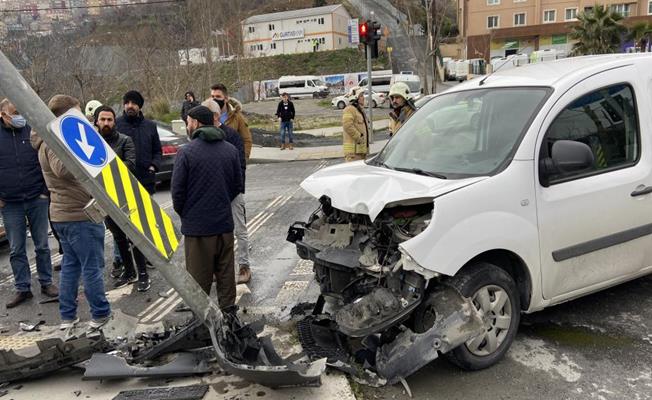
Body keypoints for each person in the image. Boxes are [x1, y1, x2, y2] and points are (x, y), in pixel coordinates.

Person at [34, 94, 110, 330]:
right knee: (92, 266)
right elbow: (62, 169)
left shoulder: (45, 139)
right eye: (77, 113)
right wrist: (78, 146)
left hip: (64, 214)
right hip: (78, 215)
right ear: (65, 116)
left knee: (71, 266)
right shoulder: (54, 140)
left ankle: (68, 316)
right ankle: (101, 315)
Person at [171, 105, 242, 308]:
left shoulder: (186, 153)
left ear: (196, 123)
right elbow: (236, 186)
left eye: (188, 122)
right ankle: (229, 318)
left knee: (198, 283)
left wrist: (188, 214)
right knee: (226, 276)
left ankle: (203, 326)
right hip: (224, 225)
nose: (187, 125)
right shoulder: (230, 150)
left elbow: (177, 193)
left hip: (198, 230)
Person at [0, 99, 58, 308]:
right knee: (16, 249)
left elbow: (45, 162)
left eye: (20, 111)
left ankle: (46, 282)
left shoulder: (32, 132)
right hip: (10, 203)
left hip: (36, 198)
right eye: (14, 112)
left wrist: (44, 192)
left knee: (42, 245)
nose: (19, 116)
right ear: (3, 114)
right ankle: (22, 288)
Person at [93, 105, 147, 291]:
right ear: (96, 122)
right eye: (103, 119)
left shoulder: (125, 140)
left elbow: (130, 165)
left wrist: (102, 169)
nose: (106, 123)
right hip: (106, 199)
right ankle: (129, 271)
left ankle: (143, 274)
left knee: (135, 237)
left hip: (126, 196)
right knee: (119, 238)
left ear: (114, 122)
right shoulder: (92, 144)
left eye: (109, 119)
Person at [201, 99, 251, 283]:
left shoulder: (231, 135)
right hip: (212, 195)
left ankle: (244, 266)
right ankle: (218, 269)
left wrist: (234, 190)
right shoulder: (201, 137)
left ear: (214, 116)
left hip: (232, 193)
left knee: (240, 230)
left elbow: (239, 166)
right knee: (216, 234)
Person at [115, 90, 160, 292]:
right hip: (120, 185)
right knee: (121, 231)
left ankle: (145, 265)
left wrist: (153, 166)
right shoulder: (116, 125)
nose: (130, 106)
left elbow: (157, 150)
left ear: (140, 106)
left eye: (134, 103)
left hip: (145, 182)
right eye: (127, 102)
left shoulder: (150, 126)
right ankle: (127, 268)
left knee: (143, 227)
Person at [210, 83, 252, 160]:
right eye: (212, 96)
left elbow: (246, 140)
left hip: (232, 160)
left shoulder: (237, 117)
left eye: (218, 96)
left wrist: (243, 159)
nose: (214, 99)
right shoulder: (207, 115)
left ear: (226, 99)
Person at [342, 87, 369, 162]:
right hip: (353, 154)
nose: (363, 98)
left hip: (360, 152)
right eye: (361, 96)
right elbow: (347, 126)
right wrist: (359, 137)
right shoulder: (349, 109)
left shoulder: (359, 111)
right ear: (355, 98)